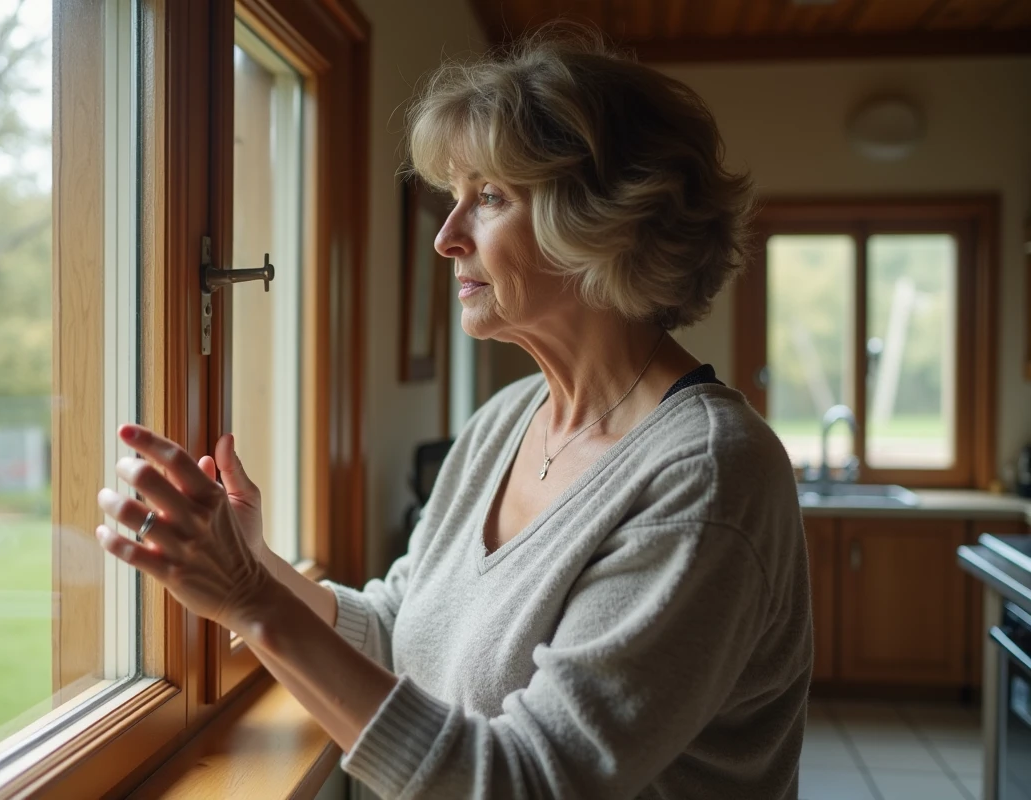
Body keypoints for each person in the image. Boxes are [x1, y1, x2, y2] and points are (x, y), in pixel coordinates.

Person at [96, 25, 812, 799]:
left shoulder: (708, 476)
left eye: (490, 198)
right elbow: (399, 631)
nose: (445, 237)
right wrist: (257, 563)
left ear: (605, 221)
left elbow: (529, 784)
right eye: (454, 198)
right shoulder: (507, 419)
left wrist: (250, 598)